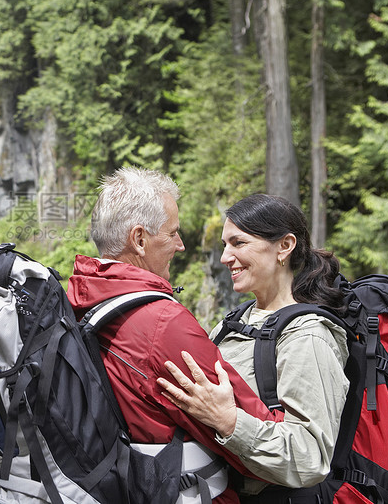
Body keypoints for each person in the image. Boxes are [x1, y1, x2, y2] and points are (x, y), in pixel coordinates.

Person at [66, 168, 281, 504]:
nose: (181, 245)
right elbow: (263, 447)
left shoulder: (79, 304)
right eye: (172, 233)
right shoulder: (162, 324)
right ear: (139, 239)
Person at [157, 193, 350, 501]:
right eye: (224, 245)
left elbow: (309, 458)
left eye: (239, 243)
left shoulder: (309, 335)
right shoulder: (232, 323)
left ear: (284, 246)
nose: (225, 257)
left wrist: (229, 421)